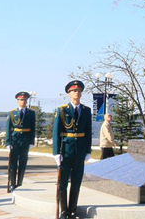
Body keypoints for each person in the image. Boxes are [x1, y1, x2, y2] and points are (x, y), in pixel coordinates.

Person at [53, 80, 92, 219]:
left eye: (79, 91)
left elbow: (88, 131)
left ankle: (73, 210)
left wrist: (88, 151)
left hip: (80, 151)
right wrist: (56, 153)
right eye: (74, 91)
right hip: (66, 150)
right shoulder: (62, 110)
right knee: (63, 183)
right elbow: (56, 132)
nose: (77, 93)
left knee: (76, 182)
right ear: (69, 93)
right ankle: (64, 211)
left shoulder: (86, 111)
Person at [5, 91, 36, 191]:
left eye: (25, 100)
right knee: (13, 163)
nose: (23, 101)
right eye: (21, 100)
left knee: (23, 163)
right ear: (17, 101)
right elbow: (8, 128)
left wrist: (31, 142)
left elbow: (33, 128)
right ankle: (13, 184)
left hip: (25, 141)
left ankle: (20, 183)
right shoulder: (12, 113)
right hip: (14, 141)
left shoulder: (31, 113)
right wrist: (7, 143)